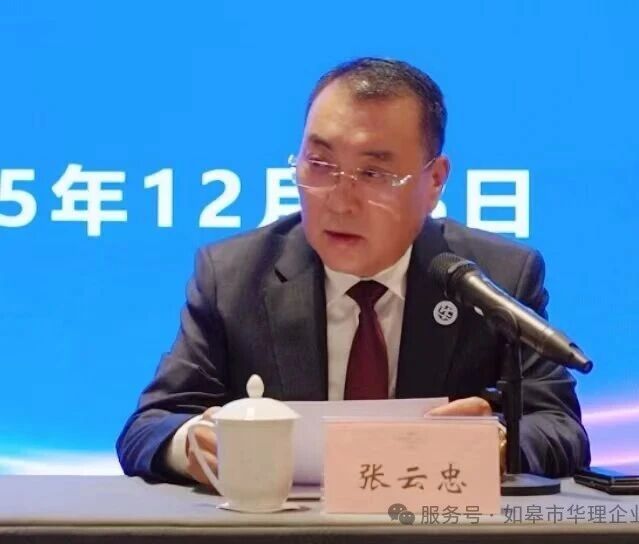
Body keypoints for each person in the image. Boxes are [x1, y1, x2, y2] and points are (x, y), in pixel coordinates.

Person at [117, 57, 590, 486]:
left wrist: (501, 445)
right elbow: (149, 427)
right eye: (320, 164)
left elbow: (560, 429)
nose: (340, 202)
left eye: (373, 174)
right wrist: (192, 443)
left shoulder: (496, 278)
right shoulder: (234, 276)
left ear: (434, 181)